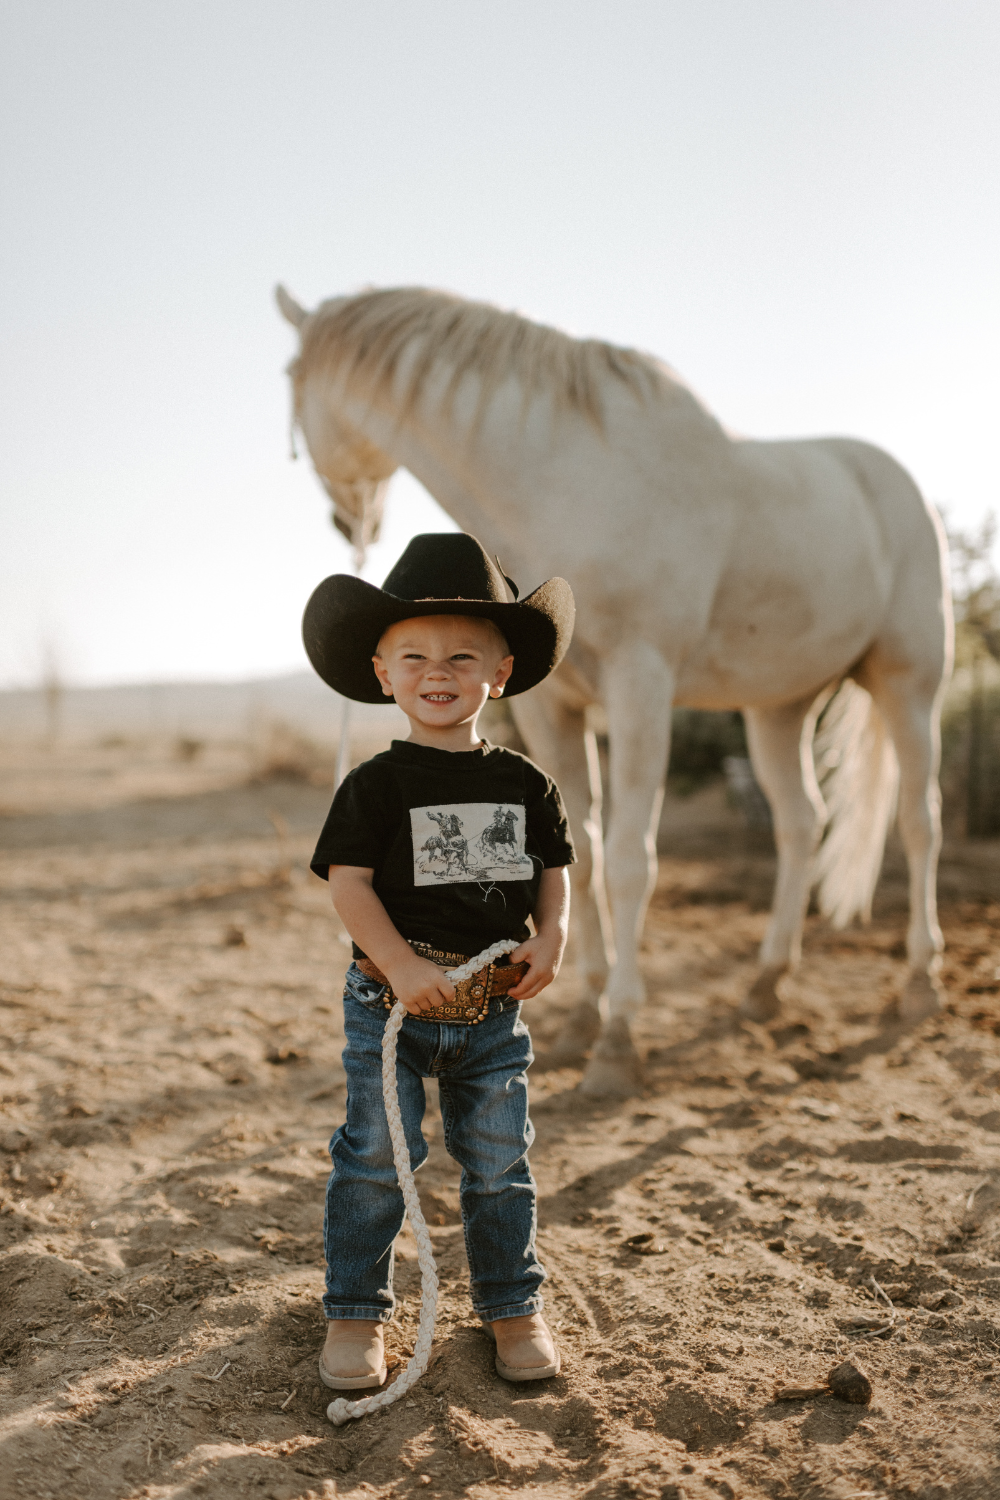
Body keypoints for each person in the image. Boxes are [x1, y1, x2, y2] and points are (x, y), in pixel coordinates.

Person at [303, 532, 576, 1392]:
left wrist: (554, 934)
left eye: (463, 653)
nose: (438, 670)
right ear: (383, 671)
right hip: (389, 1002)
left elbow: (552, 875)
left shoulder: (527, 784)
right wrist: (401, 965)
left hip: (493, 1012)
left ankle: (511, 1306)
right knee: (376, 1156)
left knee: (499, 1162)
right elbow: (349, 887)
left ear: (500, 669)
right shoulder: (374, 786)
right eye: (414, 653)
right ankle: (355, 1310)